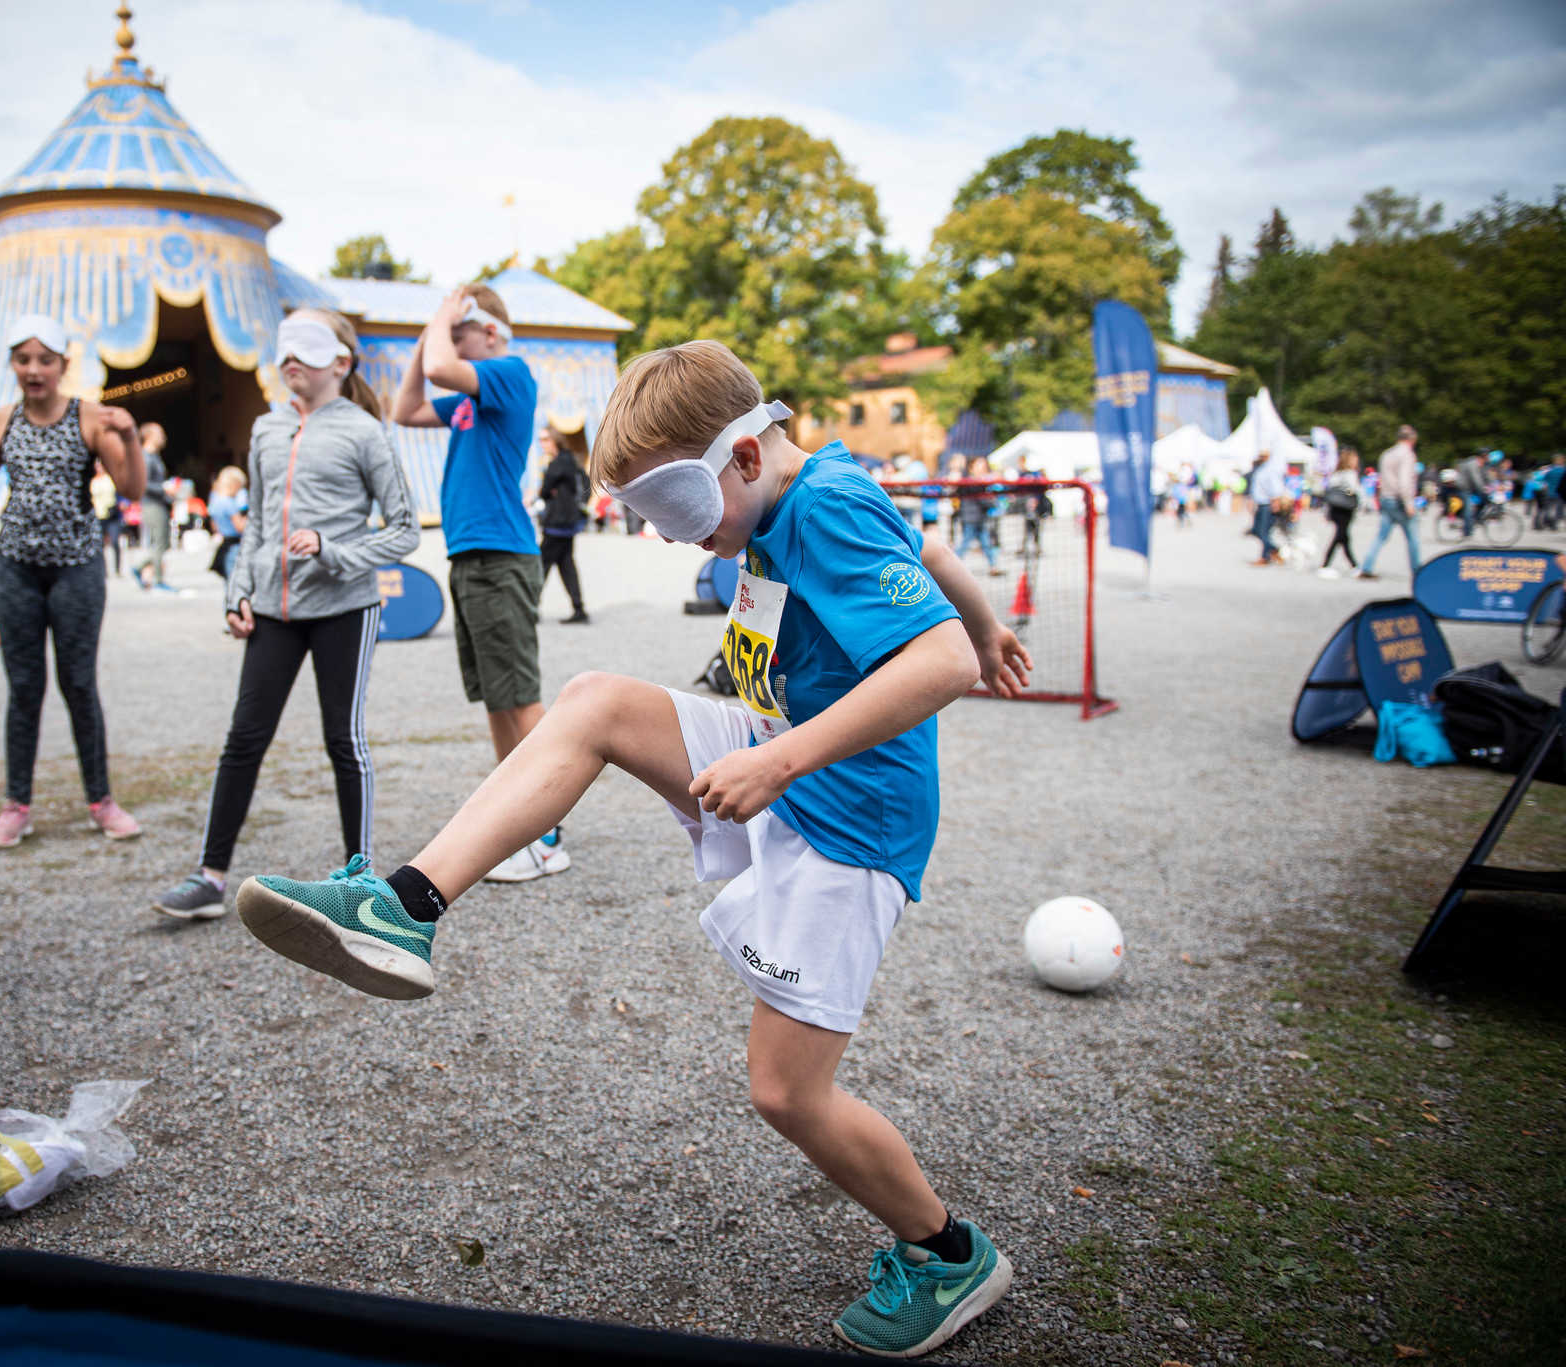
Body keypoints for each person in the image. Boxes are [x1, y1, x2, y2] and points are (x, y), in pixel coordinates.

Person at [236, 340, 1028, 1360]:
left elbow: (939, 662)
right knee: (594, 701)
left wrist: (800, 746)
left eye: (676, 516)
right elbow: (918, 549)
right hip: (784, 752)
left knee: (785, 1092)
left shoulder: (821, 503)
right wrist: (990, 612)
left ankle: (948, 1250)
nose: (665, 544)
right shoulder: (813, 479)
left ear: (742, 459)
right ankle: (405, 902)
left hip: (845, 813)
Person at [151, 310, 420, 919]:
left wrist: (335, 551)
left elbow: (404, 531)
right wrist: (236, 592)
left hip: (345, 607)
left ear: (341, 363)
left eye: (309, 346)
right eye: (286, 346)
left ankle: (361, 884)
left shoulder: (364, 431)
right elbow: (259, 527)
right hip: (272, 610)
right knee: (244, 738)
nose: (291, 356)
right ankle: (209, 879)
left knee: (343, 740)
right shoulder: (267, 430)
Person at [388, 284, 564, 883]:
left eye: (460, 333)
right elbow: (405, 410)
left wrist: (439, 326)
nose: (449, 345)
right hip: (473, 557)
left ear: (489, 332)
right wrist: (428, 336)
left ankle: (549, 832)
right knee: (497, 698)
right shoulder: (469, 397)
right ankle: (519, 824)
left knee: (520, 696)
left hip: (499, 555)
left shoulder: (511, 371)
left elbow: (441, 368)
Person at [0, 314, 147, 848]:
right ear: (13, 365)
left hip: (76, 570)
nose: (34, 369)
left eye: (45, 359)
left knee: (79, 684)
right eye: (24, 359)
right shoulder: (4, 421)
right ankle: (16, 805)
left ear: (64, 365)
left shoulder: (88, 419)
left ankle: (102, 801)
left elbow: (131, 487)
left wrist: (129, 437)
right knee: (24, 688)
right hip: (17, 568)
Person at [536, 414, 591, 624]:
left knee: (541, 564)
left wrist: (552, 494)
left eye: (545, 439)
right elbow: (586, 482)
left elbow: (544, 490)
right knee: (566, 565)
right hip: (569, 521)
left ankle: (530, 608)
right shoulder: (572, 460)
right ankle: (579, 609)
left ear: (554, 440)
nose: (542, 444)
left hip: (557, 522)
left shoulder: (558, 464)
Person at [1358, 424, 1423, 581]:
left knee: (1381, 536)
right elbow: (1404, 480)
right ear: (1412, 439)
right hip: (1399, 500)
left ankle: (1367, 566)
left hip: (1386, 499)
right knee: (1413, 537)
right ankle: (1418, 571)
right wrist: (1408, 503)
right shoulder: (1407, 455)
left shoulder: (1387, 454)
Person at [133, 422, 176, 591]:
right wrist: (163, 488)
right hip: (152, 504)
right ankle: (158, 580)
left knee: (164, 543)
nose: (163, 437)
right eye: (160, 433)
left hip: (160, 503)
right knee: (159, 542)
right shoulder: (145, 457)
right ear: (149, 436)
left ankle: (139, 568)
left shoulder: (154, 456)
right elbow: (143, 484)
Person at [952, 454, 1001, 575]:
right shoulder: (971, 482)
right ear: (972, 467)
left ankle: (993, 566)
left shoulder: (976, 481)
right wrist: (993, 502)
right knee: (965, 543)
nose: (982, 467)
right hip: (971, 518)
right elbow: (984, 500)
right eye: (979, 464)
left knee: (985, 543)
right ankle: (953, 566)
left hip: (978, 517)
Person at [1317, 447, 1362, 578]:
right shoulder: (1350, 474)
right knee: (1340, 536)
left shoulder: (1335, 474)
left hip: (1335, 508)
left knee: (1343, 537)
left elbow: (1327, 491)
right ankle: (1326, 565)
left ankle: (1354, 565)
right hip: (1345, 508)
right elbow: (1354, 489)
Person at [207, 466, 247, 583]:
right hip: (234, 546)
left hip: (224, 545)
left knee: (228, 584)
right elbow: (240, 527)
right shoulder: (229, 503)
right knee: (235, 584)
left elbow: (214, 526)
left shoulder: (215, 501)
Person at [1247, 451, 1286, 565]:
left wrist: (1276, 502)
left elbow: (1276, 488)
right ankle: (1271, 551)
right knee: (1257, 531)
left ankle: (1268, 554)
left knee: (1263, 532)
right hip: (1261, 503)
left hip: (1267, 504)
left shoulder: (1270, 469)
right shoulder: (1261, 469)